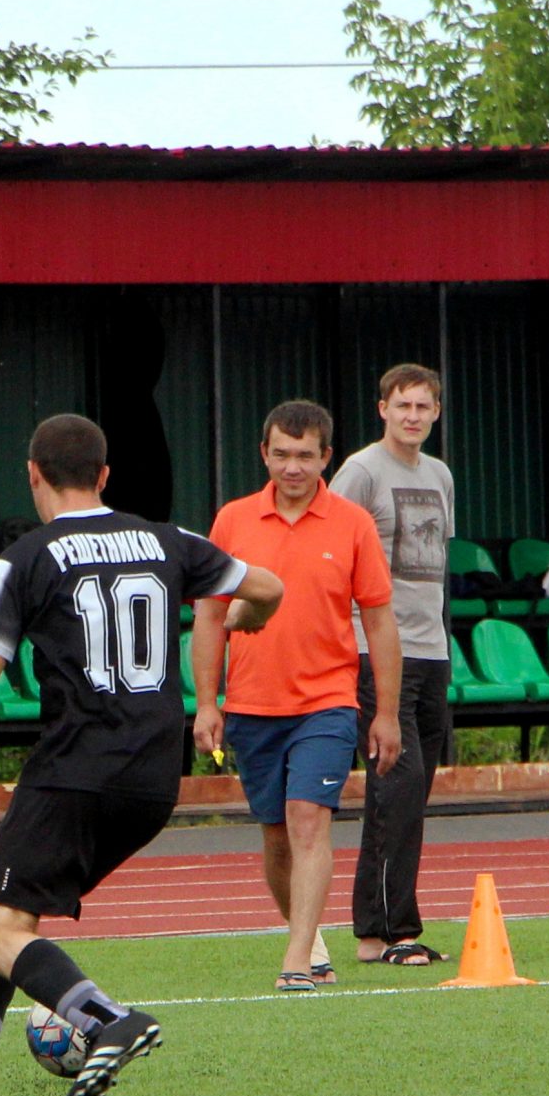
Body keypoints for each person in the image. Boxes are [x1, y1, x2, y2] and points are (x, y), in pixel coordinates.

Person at [0, 413, 283, 1096]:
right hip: (152, 782)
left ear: (33, 475)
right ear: (106, 475)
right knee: (7, 909)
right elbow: (266, 588)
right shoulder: (168, 540)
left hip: (74, 767)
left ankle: (104, 1020)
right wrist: (246, 621)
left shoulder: (27, 557)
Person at [197, 401, 402, 993]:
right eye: (281, 454)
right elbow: (209, 619)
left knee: (307, 819)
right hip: (252, 705)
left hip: (328, 701)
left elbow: (381, 623)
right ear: (264, 453)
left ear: (325, 458)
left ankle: (294, 962)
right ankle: (308, 939)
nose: (292, 467)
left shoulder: (353, 523)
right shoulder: (233, 521)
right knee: (276, 836)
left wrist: (385, 713)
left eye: (305, 456)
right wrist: (207, 702)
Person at [331, 364, 455, 967]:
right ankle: (390, 932)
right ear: (381, 407)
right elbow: (326, 548)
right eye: (402, 405)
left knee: (410, 792)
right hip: (376, 651)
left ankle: (377, 927)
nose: (412, 415)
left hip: (432, 652)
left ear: (436, 412)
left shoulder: (439, 475)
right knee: (397, 786)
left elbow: (437, 571)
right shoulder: (360, 471)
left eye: (423, 406)